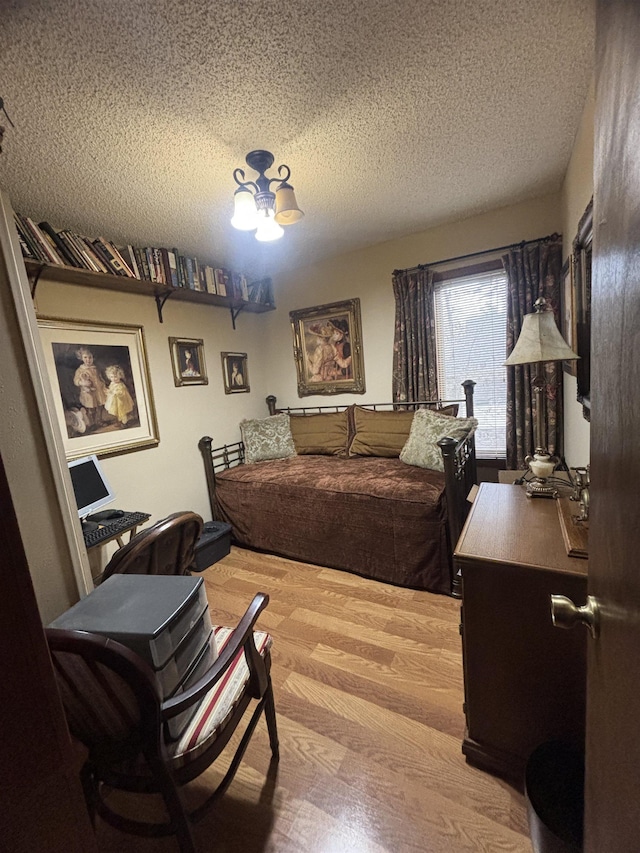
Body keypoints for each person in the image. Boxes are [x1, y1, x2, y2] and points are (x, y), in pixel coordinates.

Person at [73, 346, 108, 428]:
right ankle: (92, 423)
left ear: (93, 358)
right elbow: (76, 381)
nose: (88, 360)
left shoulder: (95, 368)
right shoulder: (80, 370)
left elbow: (100, 378)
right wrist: (82, 382)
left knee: (100, 406)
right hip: (88, 393)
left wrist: (104, 386)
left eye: (90, 357)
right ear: (81, 358)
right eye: (85, 357)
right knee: (90, 408)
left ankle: (99, 420)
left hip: (98, 391)